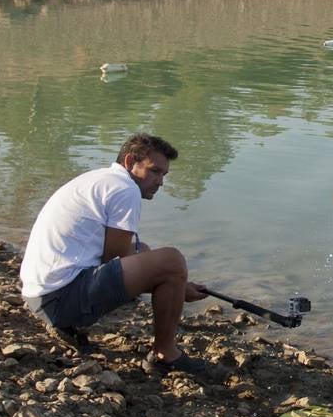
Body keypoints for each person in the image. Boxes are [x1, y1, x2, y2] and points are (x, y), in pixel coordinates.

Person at [20, 133, 210, 376]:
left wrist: (176, 285)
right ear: (131, 161)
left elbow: (123, 258)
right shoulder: (125, 189)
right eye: (154, 172)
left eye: (164, 175)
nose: (160, 182)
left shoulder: (100, 179)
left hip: (39, 295)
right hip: (58, 300)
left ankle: (70, 324)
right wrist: (179, 284)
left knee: (146, 252)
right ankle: (165, 354)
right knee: (172, 261)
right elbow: (117, 258)